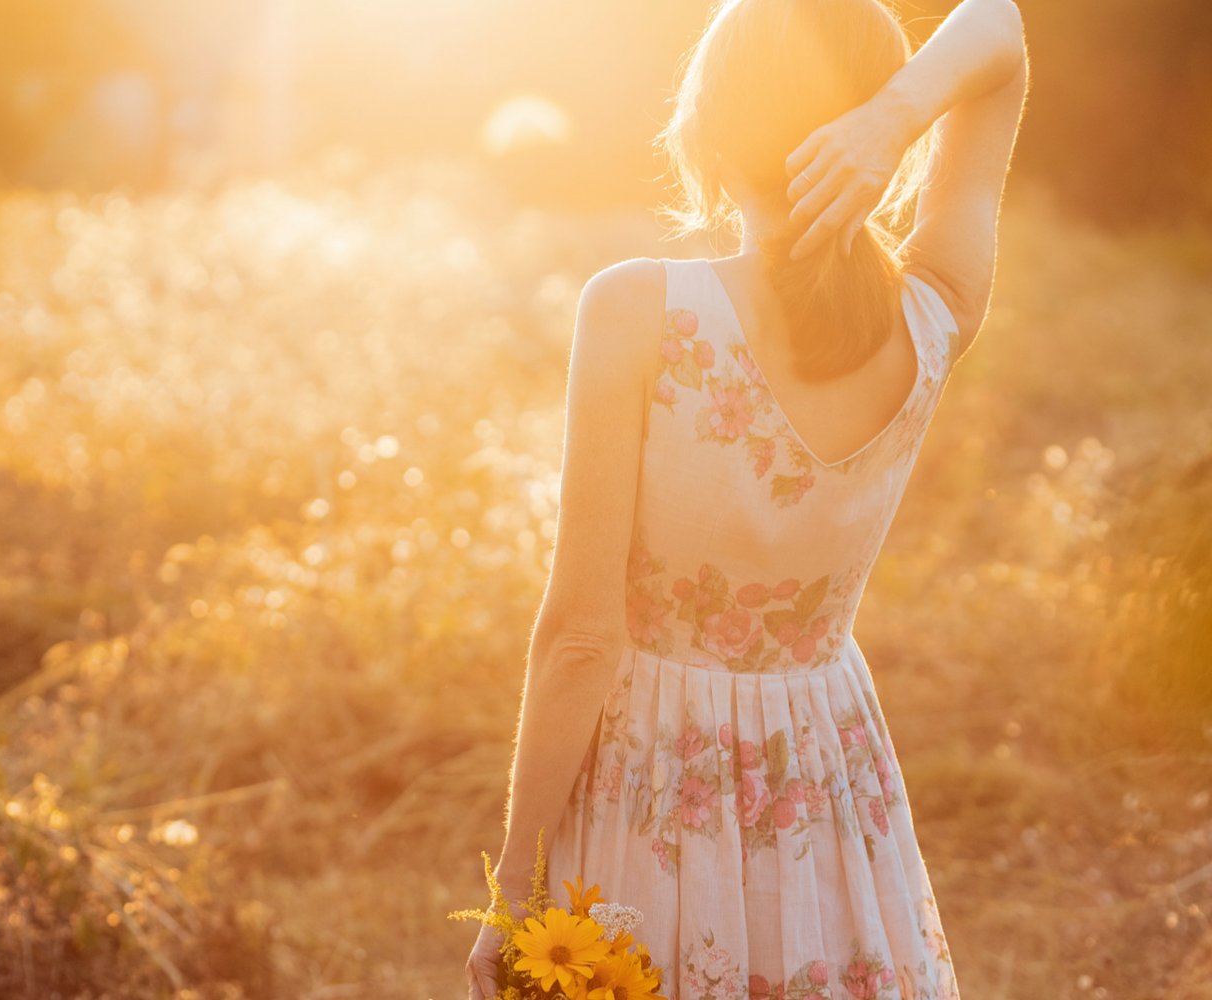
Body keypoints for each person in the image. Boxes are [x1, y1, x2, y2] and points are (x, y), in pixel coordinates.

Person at [466, 0, 1028, 996]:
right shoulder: (935, 309)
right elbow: (999, 35)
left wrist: (514, 888)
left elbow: (582, 639)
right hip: (826, 774)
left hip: (650, 783)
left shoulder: (638, 308)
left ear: (708, 129)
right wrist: (890, 119)